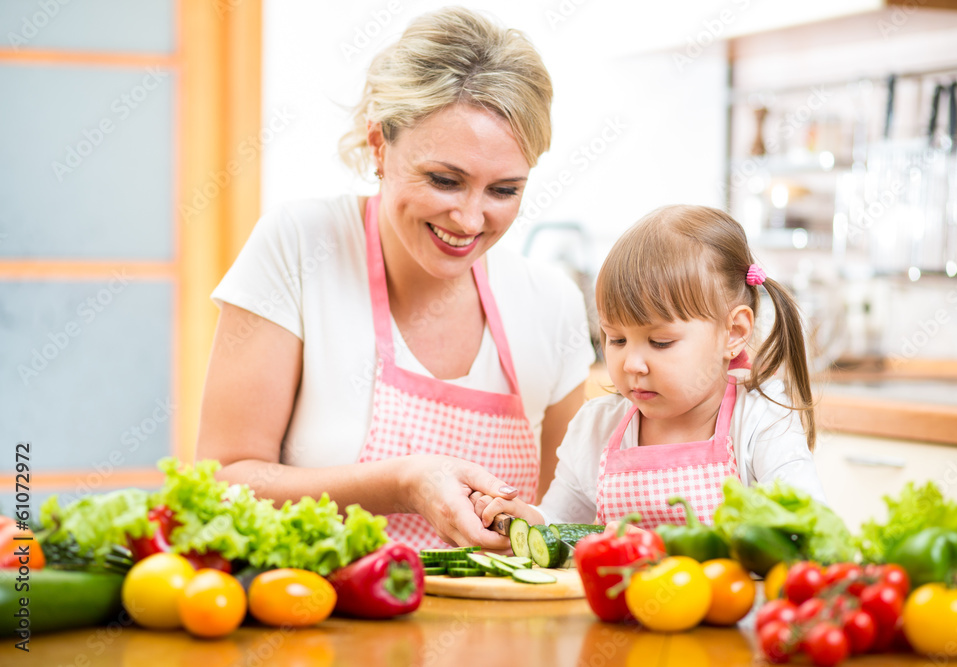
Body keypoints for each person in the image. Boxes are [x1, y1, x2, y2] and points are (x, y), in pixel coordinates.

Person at [196, 7, 594, 550]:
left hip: (500, 633)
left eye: (504, 190)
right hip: (317, 622)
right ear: (380, 144)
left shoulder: (551, 304)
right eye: (445, 180)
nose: (470, 220)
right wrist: (402, 483)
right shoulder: (302, 244)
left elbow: (565, 521)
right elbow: (223, 484)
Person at [475, 205, 825, 531]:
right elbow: (560, 525)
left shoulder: (761, 423)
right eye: (616, 339)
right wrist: (528, 521)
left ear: (733, 333)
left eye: (660, 342)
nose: (632, 364)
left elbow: (805, 524)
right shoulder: (596, 428)